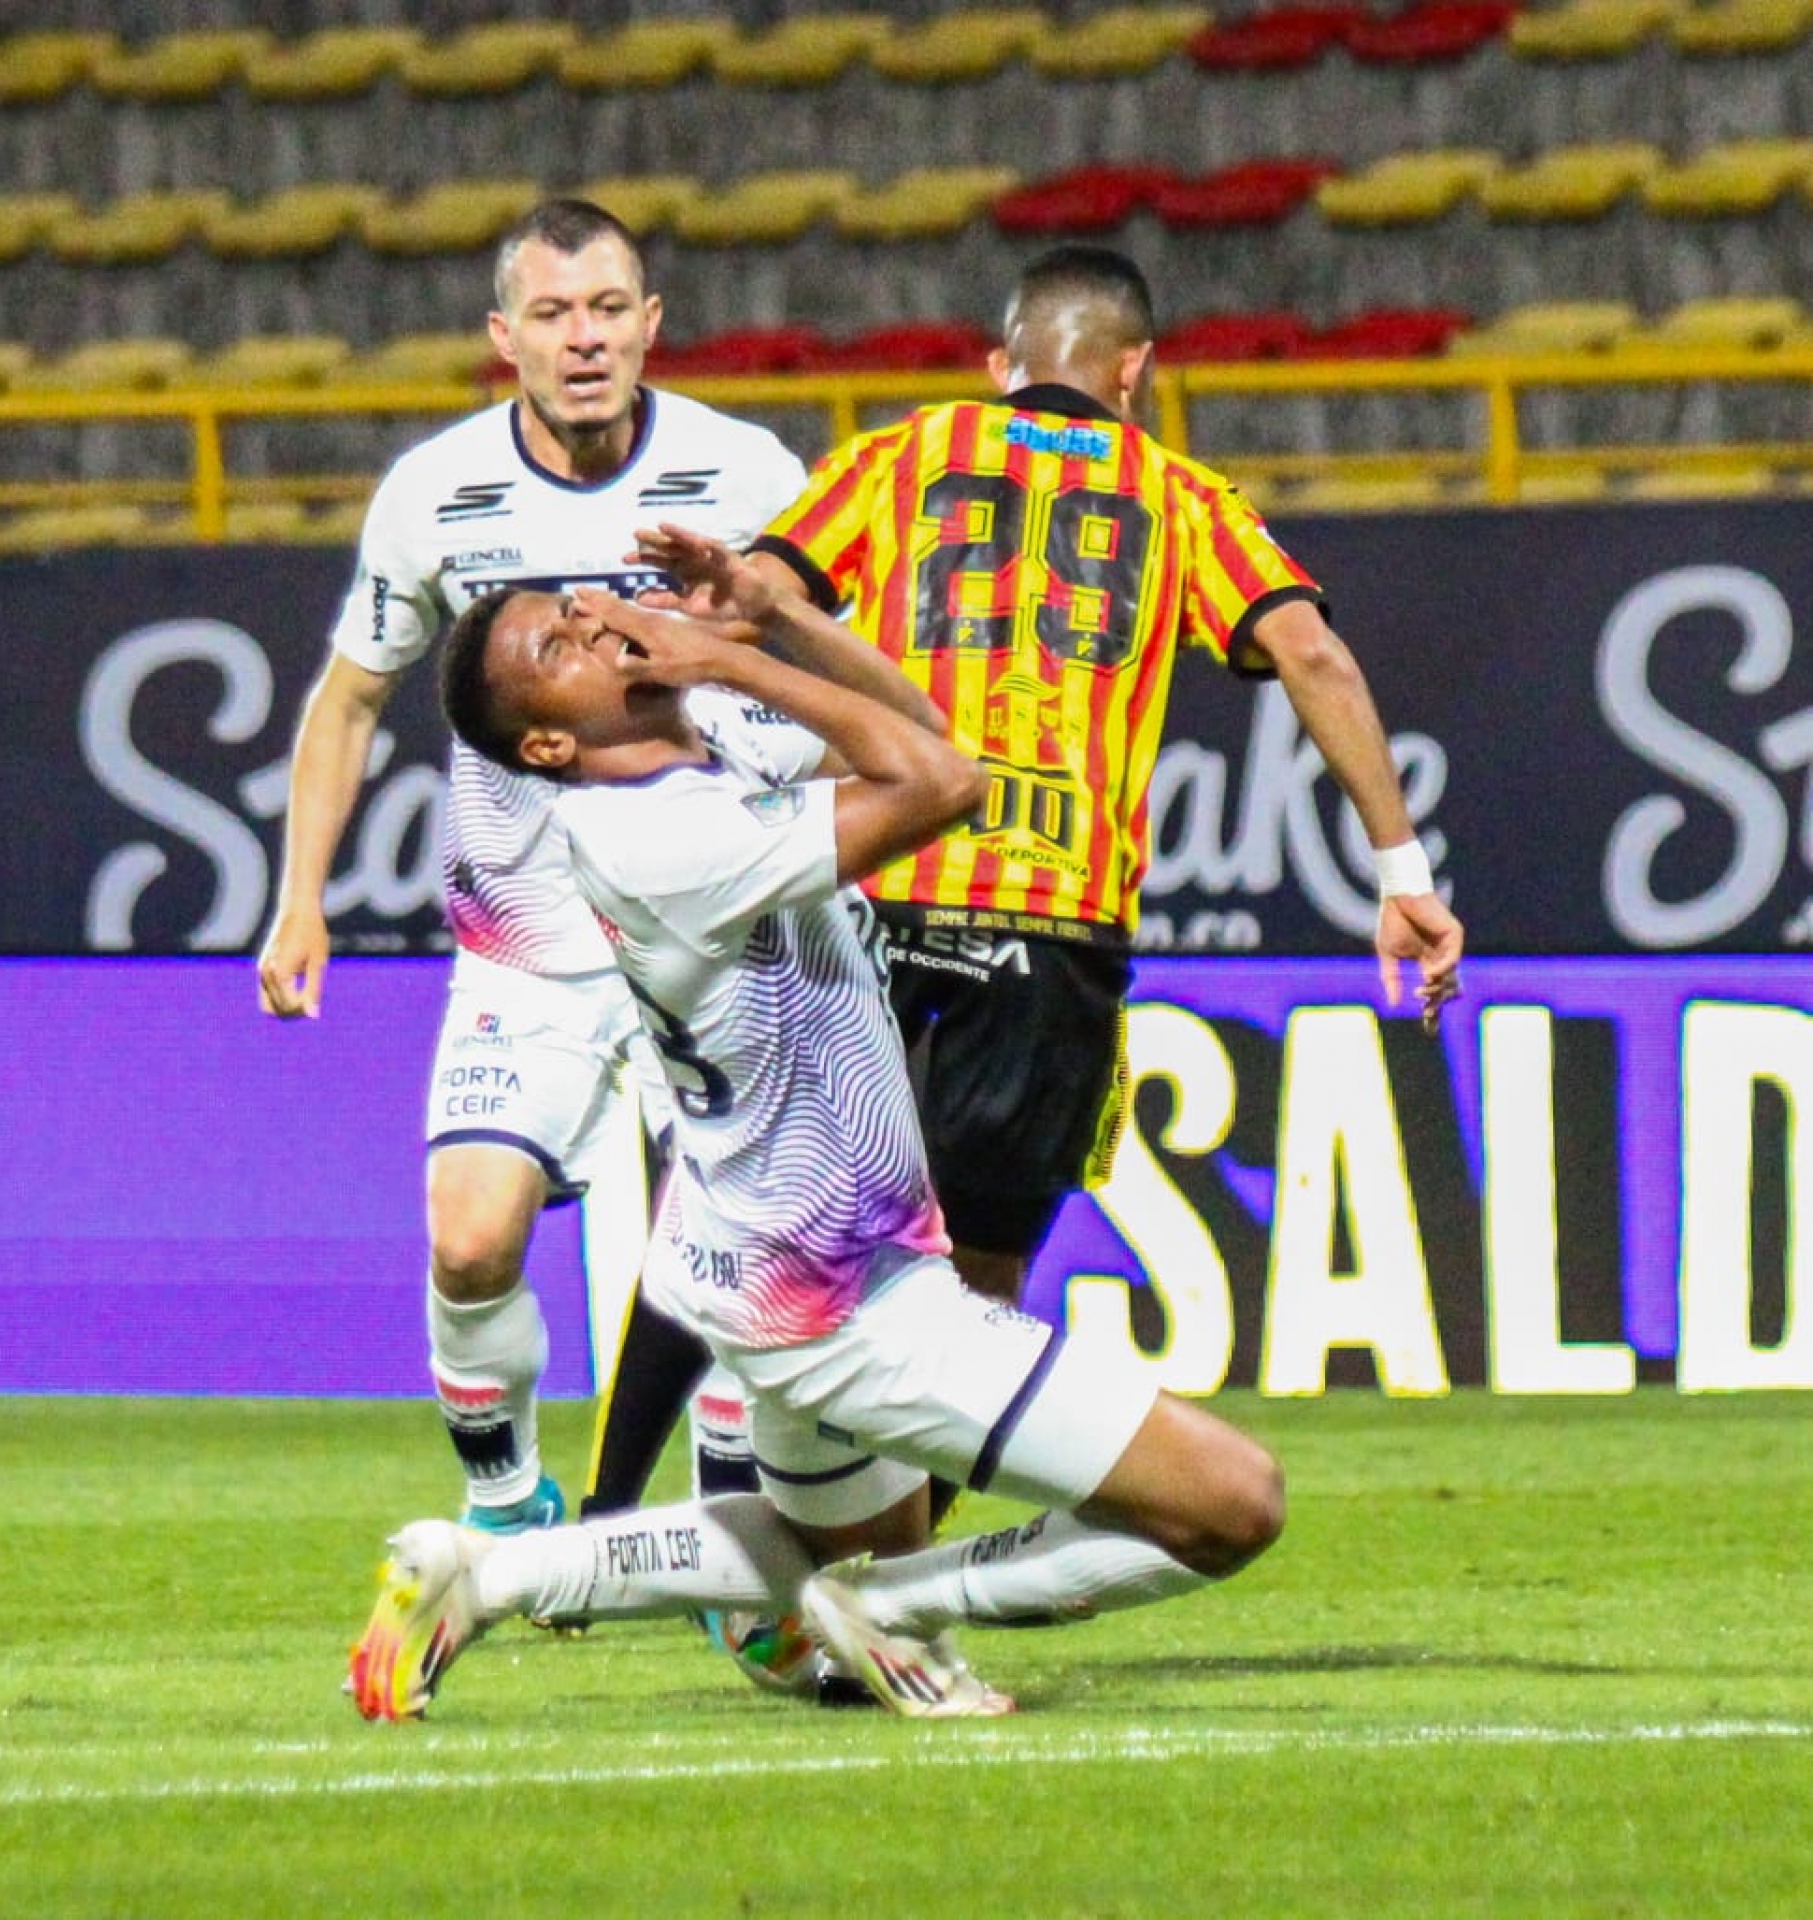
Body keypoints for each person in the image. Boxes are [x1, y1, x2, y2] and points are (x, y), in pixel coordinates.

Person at [347, 571, 1287, 1723]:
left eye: (580, 607)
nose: (595, 624)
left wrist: (780, 620)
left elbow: (924, 731)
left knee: (818, 1545)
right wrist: (729, 656)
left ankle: (490, 1576)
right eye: (558, 646)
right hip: (846, 1302)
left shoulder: (709, 746)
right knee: (1233, 1504)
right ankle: (895, 1611)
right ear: (547, 745)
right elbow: (948, 787)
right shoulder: (653, 835)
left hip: (767, 1261)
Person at [744, 242, 1464, 1320]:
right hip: (1053, 922)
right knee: (979, 1287)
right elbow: (1310, 654)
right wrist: (1402, 873)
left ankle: (737, 1431)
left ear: (1002, 365)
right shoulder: (1180, 495)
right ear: (1136, 370)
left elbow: (751, 595)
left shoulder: (897, 455)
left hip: (872, 895)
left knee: (798, 1255)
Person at [255, 198, 808, 1534]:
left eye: (609, 309)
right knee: (470, 1239)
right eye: (553, 315)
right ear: (505, 337)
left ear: (651, 325)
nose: (584, 339)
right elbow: (347, 700)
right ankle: (507, 1501)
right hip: (530, 948)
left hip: (714, 937)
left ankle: (730, 1542)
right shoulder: (435, 493)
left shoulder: (749, 475)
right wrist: (299, 901)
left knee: (739, 1251)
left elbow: (830, 662)